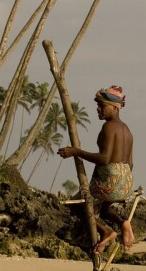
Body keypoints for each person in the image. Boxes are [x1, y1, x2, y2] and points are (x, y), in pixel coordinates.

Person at [58, 86, 135, 254]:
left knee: (78, 206)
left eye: (102, 106)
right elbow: (130, 163)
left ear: (114, 108)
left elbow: (104, 159)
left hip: (111, 181)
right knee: (105, 209)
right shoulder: (127, 130)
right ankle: (123, 223)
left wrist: (75, 151)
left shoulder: (109, 127)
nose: (98, 110)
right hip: (126, 183)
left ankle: (106, 231)